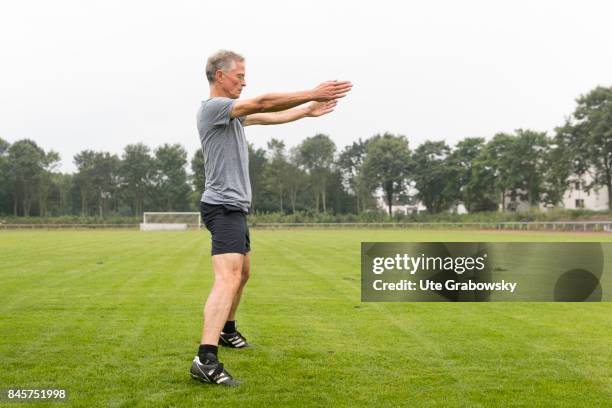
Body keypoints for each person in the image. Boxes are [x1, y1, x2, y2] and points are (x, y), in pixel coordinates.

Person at [189, 50, 352, 386]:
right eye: (239, 76)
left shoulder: (232, 116)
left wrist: (307, 111)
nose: (244, 82)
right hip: (222, 206)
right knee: (228, 278)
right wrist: (311, 92)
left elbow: (269, 116)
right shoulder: (214, 109)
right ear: (220, 75)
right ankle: (205, 358)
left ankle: (227, 330)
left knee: (242, 273)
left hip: (234, 207)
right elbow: (262, 103)